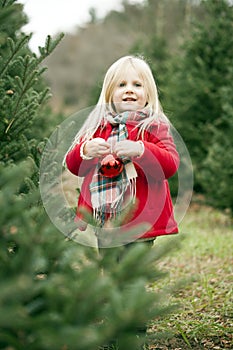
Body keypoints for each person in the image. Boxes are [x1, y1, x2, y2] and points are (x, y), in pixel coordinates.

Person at [65, 55, 179, 248]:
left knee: (134, 270)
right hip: (106, 220)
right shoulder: (97, 128)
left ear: (148, 93)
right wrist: (85, 150)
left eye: (137, 85)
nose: (129, 90)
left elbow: (170, 165)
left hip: (141, 219)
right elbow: (74, 166)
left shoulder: (154, 126)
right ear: (109, 93)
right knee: (110, 270)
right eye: (121, 85)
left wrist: (141, 150)